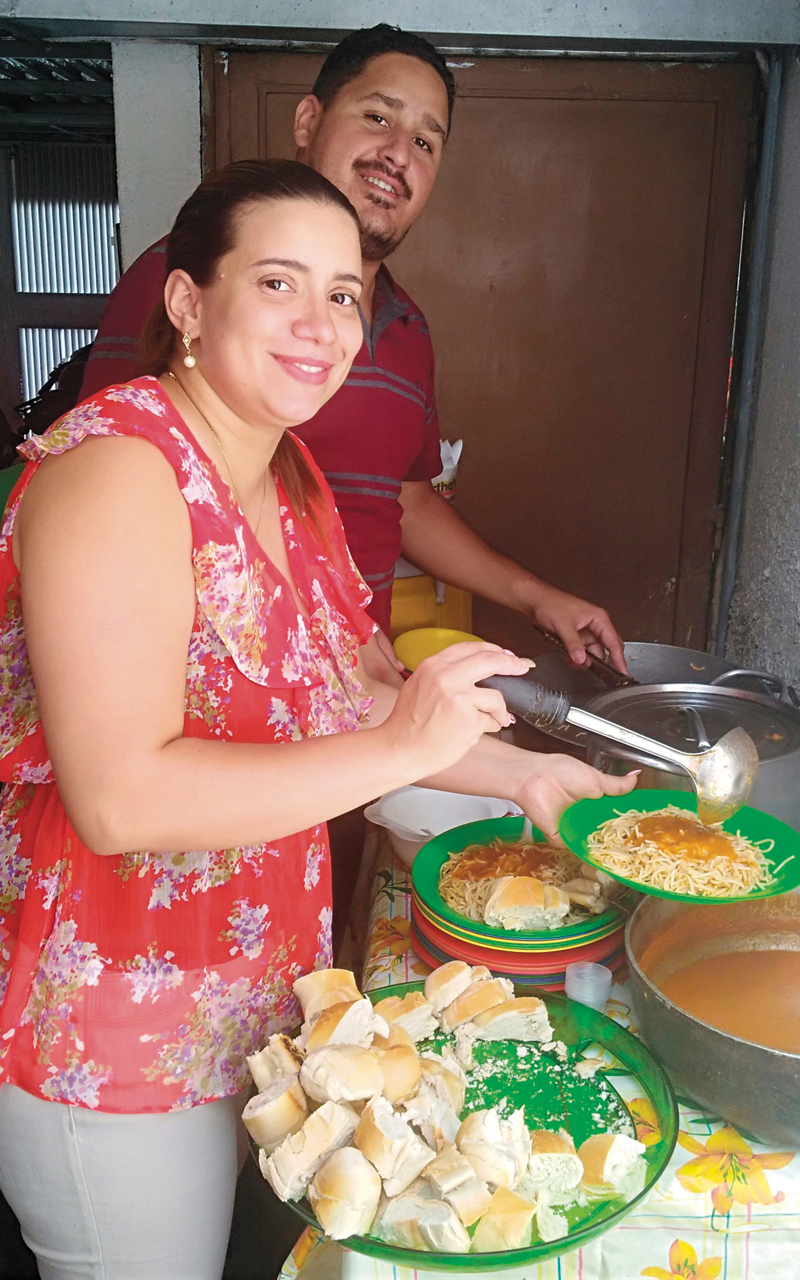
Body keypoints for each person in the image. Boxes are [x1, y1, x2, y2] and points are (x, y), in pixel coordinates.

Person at [0, 159, 633, 1280]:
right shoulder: (116, 469)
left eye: (343, 294)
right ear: (188, 301)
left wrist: (529, 778)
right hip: (111, 1015)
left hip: (251, 1000)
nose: (320, 324)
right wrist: (399, 743)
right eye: (279, 283)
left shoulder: (290, 479)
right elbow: (118, 797)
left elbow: (354, 701)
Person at [79, 24, 626, 679]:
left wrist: (536, 599)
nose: (399, 153)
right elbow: (106, 484)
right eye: (377, 117)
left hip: (352, 693)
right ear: (308, 120)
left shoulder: (407, 331)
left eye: (425, 141)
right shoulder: (195, 282)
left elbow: (405, 501)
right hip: (204, 703)